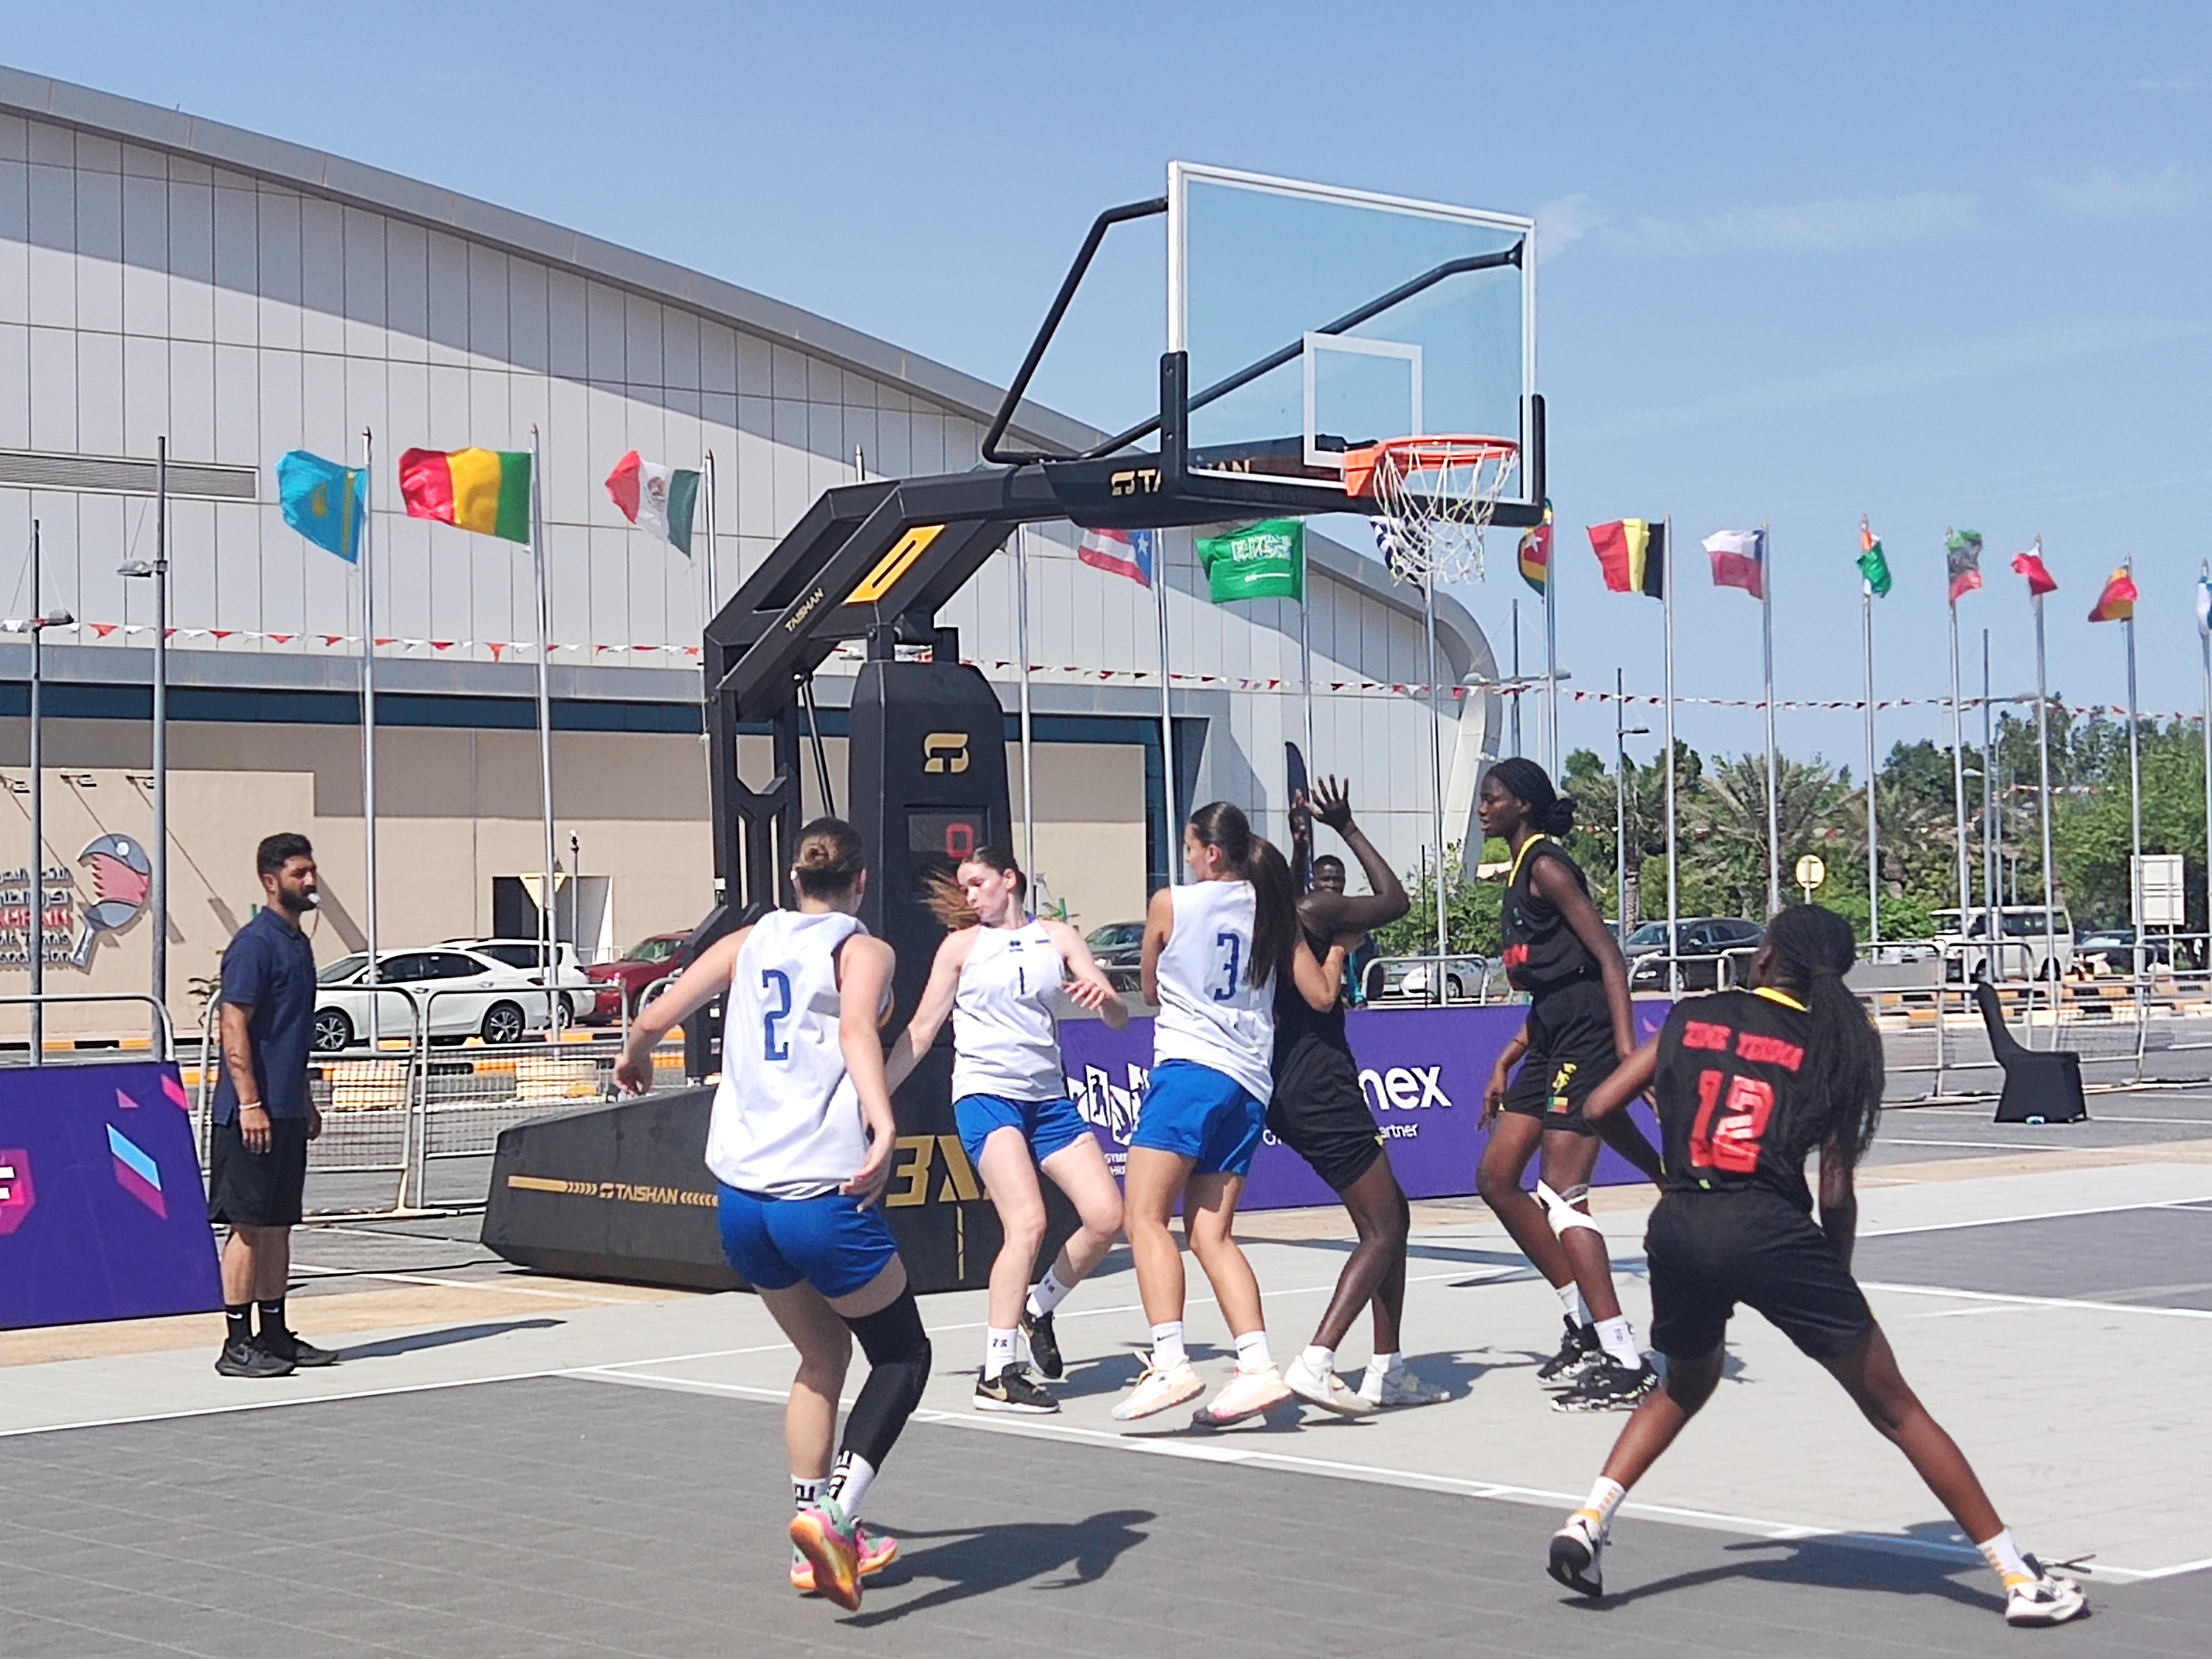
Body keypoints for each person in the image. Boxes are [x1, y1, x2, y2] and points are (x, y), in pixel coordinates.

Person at [1546, 905, 2086, 1627]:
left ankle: (1589, 1518)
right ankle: (2019, 1578)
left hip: (1679, 1226)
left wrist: (1663, 1173)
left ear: (1768, 956)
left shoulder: (1692, 1015)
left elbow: (1597, 1106)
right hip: (1769, 1230)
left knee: (1681, 1384)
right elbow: (1835, 1191)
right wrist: (1836, 1275)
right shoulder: (1834, 1046)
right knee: (1894, 1407)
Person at [614, 818, 927, 1614]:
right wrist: (883, 1122)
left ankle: (806, 1537)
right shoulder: (863, 950)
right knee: (903, 1356)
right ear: (860, 882)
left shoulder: (746, 941)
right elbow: (856, 1029)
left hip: (742, 1202)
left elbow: (656, 1012)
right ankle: (835, 1517)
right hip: (816, 1193)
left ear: (794, 880)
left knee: (821, 1359)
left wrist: (636, 1054)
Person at [884, 845, 1128, 1414]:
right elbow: (920, 1030)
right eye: (964, 887)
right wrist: (874, 1099)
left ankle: (1038, 1309)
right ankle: (997, 1372)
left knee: (1106, 1218)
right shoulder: (960, 948)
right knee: (1028, 1222)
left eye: (978, 883)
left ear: (1009, 880)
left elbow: (1117, 1017)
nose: (969, 896)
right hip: (986, 1095)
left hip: (1047, 1099)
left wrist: (1106, 1001)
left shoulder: (1058, 938)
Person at [1114, 801, 1333, 1428]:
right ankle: (1257, 1366)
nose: (1185, 859)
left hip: (1190, 1069)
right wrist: (1340, 950)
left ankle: (1169, 1361)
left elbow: (1150, 989)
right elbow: (1319, 994)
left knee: (1144, 1218)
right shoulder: (1271, 909)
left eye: (1189, 848)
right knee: (1212, 1233)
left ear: (1211, 853)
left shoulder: (1172, 904)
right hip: (1247, 1081)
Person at [1474, 758, 1665, 1411]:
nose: (1483, 808)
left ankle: (1625, 1358)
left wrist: (1627, 1052)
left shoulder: (1548, 867)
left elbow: (1608, 958)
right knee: (1496, 1178)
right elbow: (1554, 985)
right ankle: (1583, 1323)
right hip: (1551, 1033)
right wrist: (1507, 1057)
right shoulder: (1516, 871)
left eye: (1493, 798)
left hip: (1586, 1035)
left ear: (1523, 805)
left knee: (1560, 1196)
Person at [1274, 777, 1447, 1414]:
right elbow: (1396, 900)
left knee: (1390, 1212)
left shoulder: (1267, 919)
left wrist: (1301, 844)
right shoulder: (1316, 915)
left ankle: (1388, 1367)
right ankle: (1317, 1360)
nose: (1328, 888)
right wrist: (1346, 827)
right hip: (1320, 1084)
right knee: (1385, 1228)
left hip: (1284, 1084)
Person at [208, 832, 335, 1379]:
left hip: (286, 1110)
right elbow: (234, 1023)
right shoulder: (255, 944)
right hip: (250, 1114)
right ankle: (237, 1343)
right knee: (247, 1226)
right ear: (270, 881)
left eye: (311, 871)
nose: (310, 881)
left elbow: (292, 1033)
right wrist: (251, 1103)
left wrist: (302, 1098)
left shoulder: (298, 943)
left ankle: (275, 1334)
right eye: (298, 873)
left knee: (279, 1225)